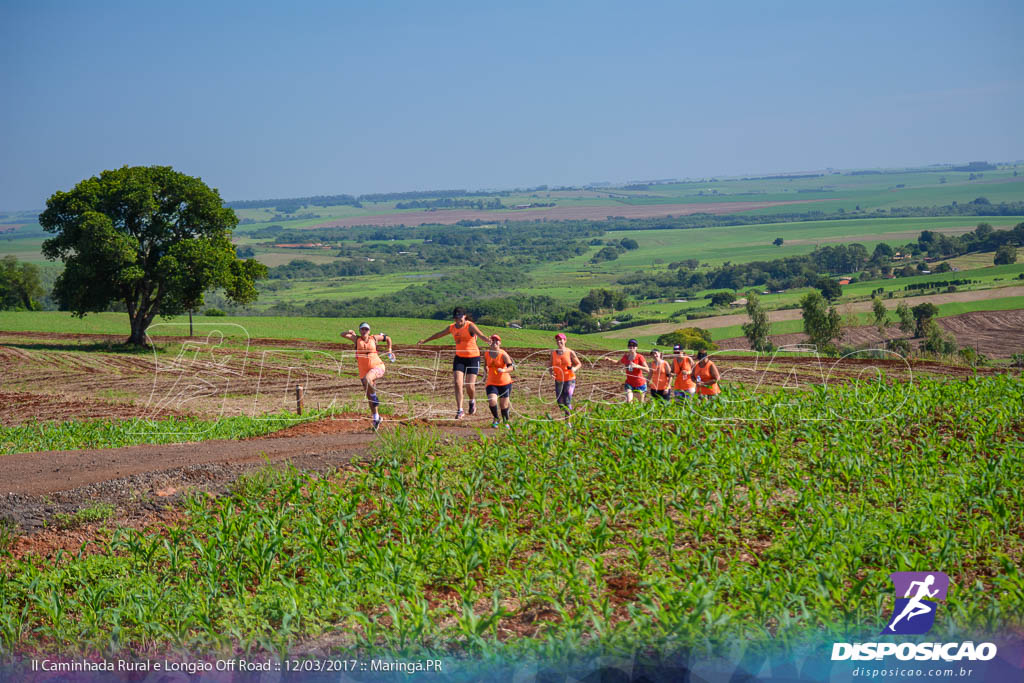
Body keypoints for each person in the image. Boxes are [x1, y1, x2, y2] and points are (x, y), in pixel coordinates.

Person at [419, 307, 487, 419]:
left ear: (464, 316)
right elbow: (439, 334)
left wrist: (488, 341)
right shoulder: (452, 327)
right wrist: (425, 341)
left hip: (473, 358)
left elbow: (481, 335)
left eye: (460, 317)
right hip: (459, 358)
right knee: (457, 383)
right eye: (456, 318)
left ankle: (472, 401)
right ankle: (460, 410)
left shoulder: (470, 326)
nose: (458, 320)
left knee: (469, 385)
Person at [341, 322, 393, 430]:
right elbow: (342, 334)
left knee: (368, 380)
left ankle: (375, 397)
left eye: (366, 329)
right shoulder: (356, 339)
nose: (364, 331)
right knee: (369, 396)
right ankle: (376, 418)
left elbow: (387, 338)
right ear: (360, 330)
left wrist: (389, 350)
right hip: (363, 370)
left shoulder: (374, 338)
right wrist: (349, 332)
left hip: (377, 366)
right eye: (362, 329)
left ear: (369, 331)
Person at [484, 335, 515, 427]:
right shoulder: (486, 353)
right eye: (493, 340)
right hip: (491, 382)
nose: (495, 342)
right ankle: (496, 418)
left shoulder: (503, 354)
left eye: (497, 340)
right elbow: (485, 364)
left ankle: (506, 422)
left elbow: (511, 367)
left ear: (500, 343)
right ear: (489, 342)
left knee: (503, 405)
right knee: (492, 400)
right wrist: (486, 369)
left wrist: (504, 370)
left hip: (504, 383)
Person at [550, 333, 582, 415]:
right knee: (560, 402)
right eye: (557, 340)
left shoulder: (570, 352)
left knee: (567, 400)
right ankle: (569, 414)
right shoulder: (553, 353)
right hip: (559, 380)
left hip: (569, 379)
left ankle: (568, 422)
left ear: (565, 341)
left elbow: (579, 364)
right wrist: (551, 372)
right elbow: (550, 366)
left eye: (561, 340)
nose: (559, 341)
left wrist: (574, 369)